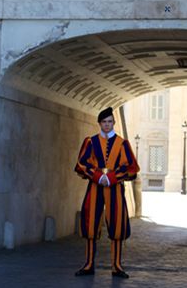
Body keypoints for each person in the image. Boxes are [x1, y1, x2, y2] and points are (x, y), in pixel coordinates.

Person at [74, 107, 140, 278]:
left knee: (117, 225)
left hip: (115, 188)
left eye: (110, 122)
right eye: (104, 122)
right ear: (99, 123)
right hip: (95, 187)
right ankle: (88, 264)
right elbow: (82, 163)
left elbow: (131, 167)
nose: (107, 125)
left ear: (113, 123)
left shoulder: (122, 144)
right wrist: (97, 176)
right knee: (90, 225)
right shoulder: (91, 142)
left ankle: (116, 266)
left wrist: (111, 177)